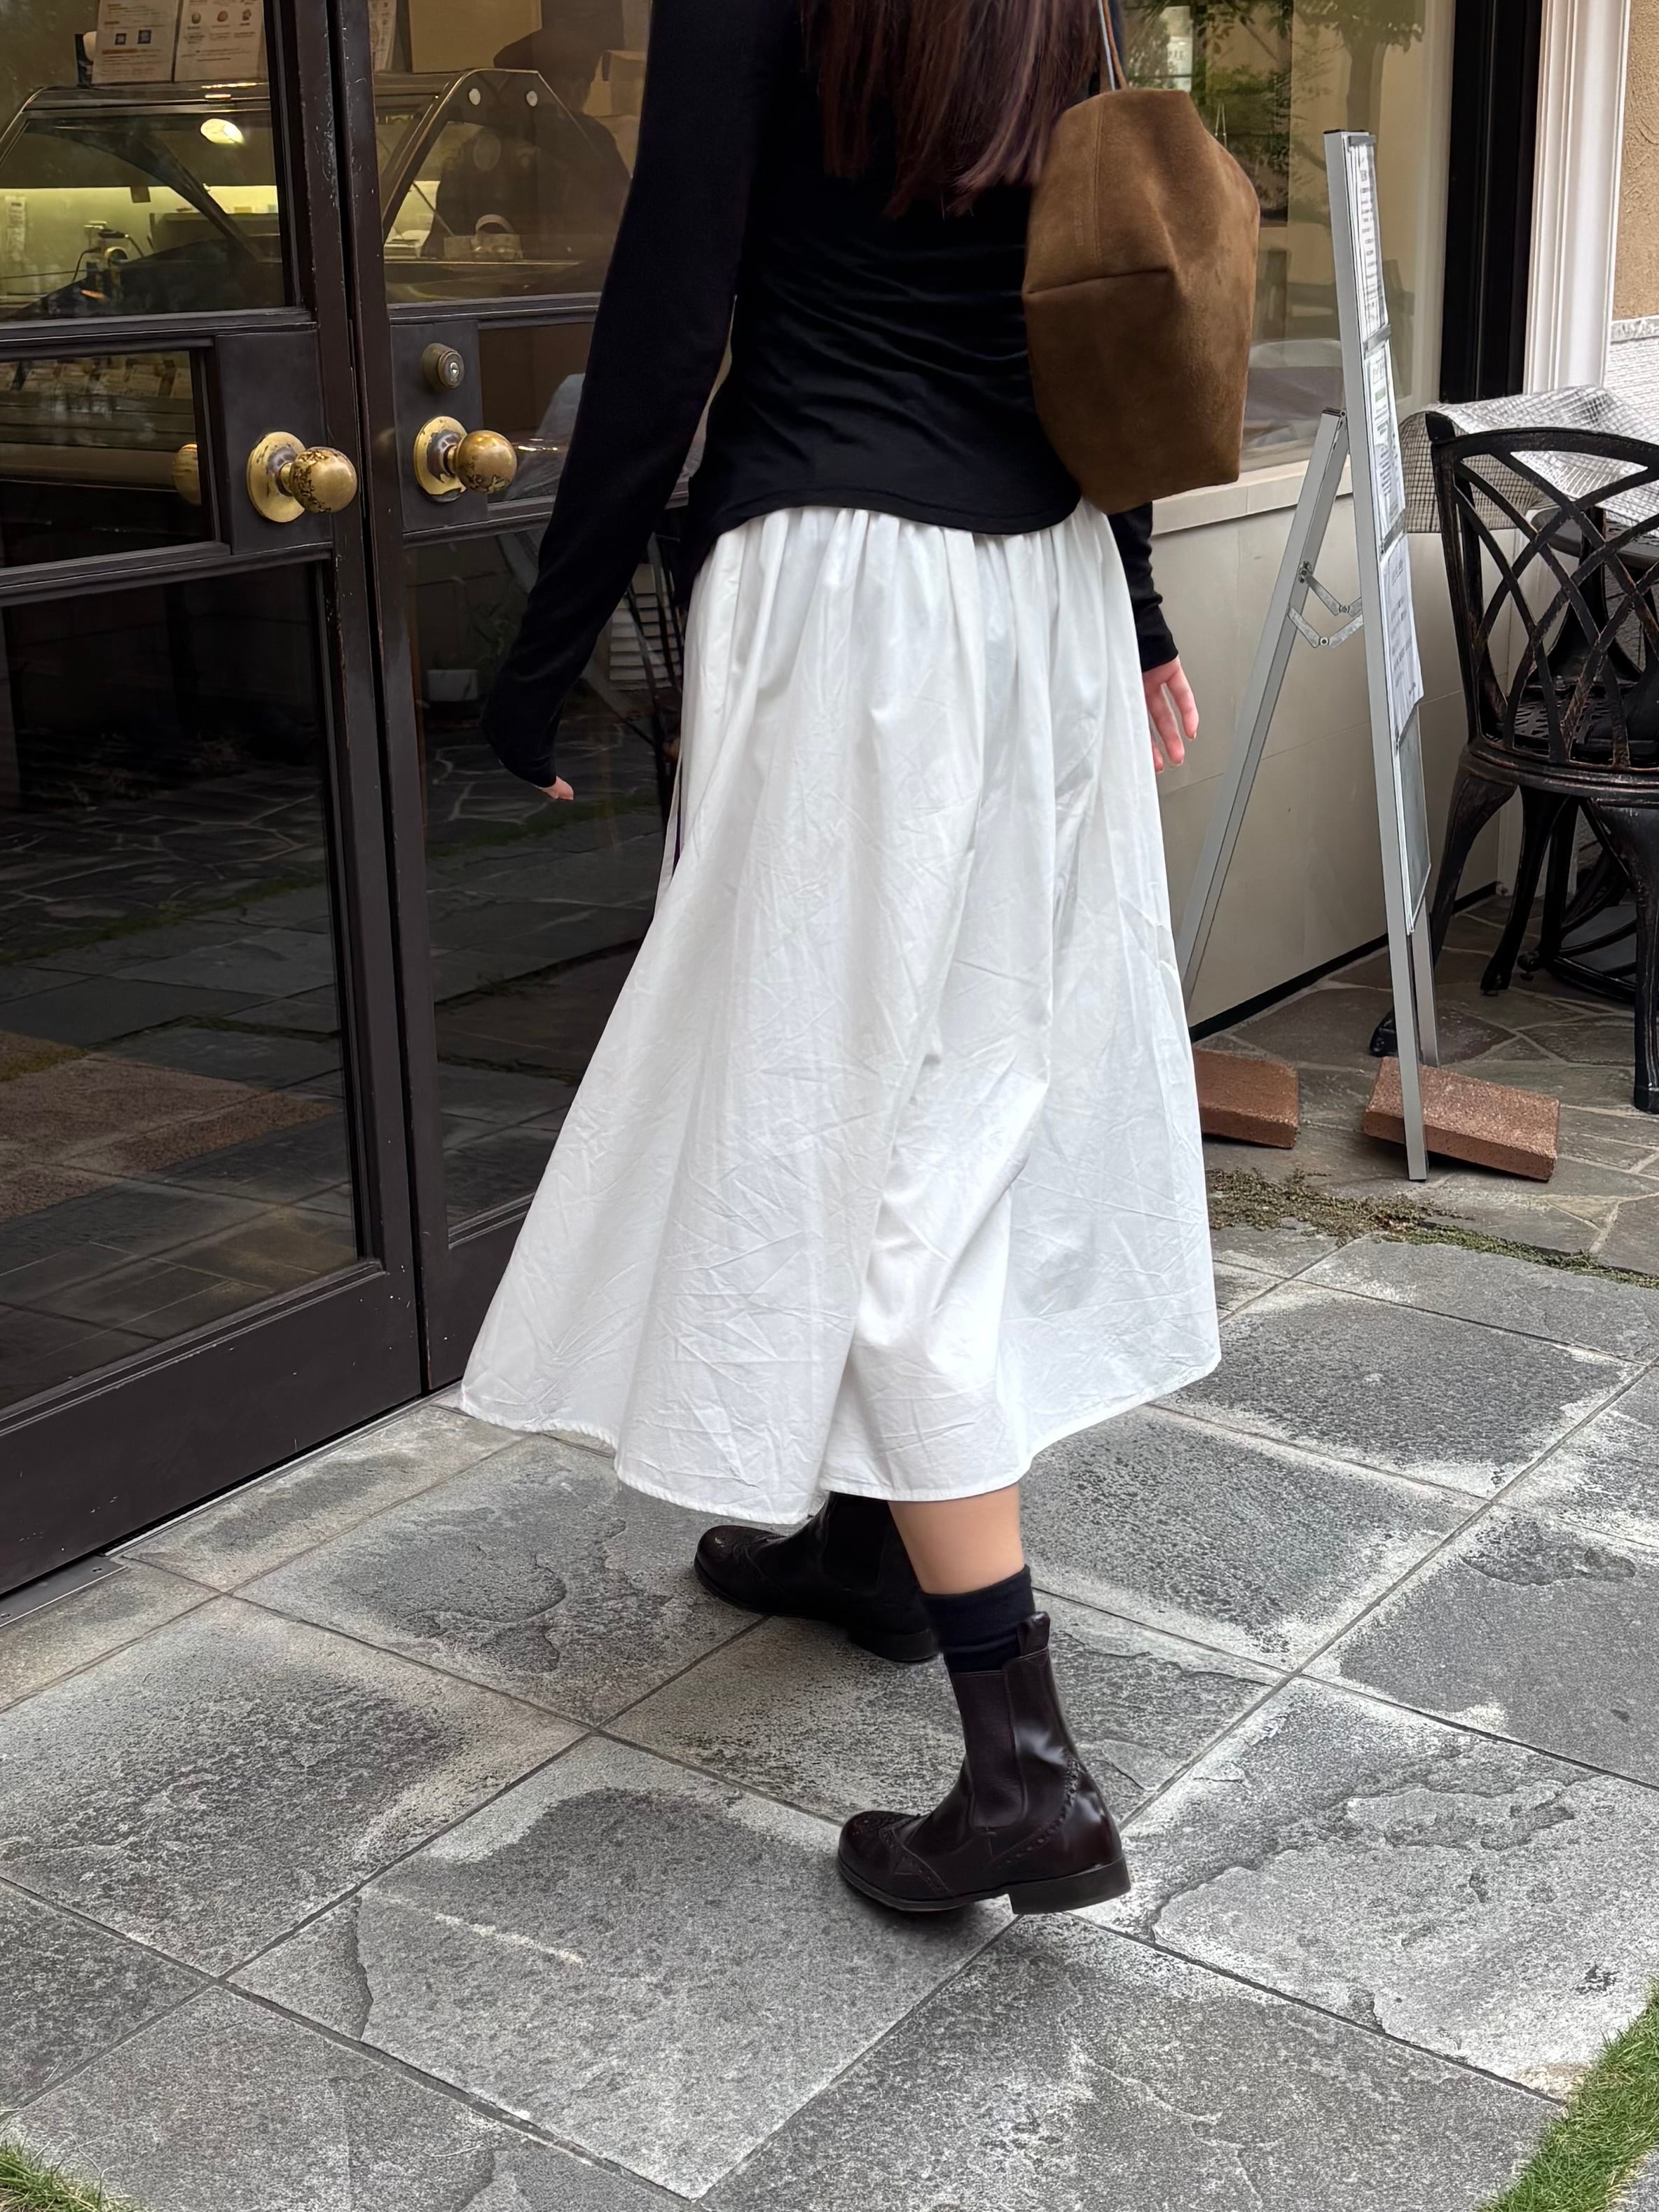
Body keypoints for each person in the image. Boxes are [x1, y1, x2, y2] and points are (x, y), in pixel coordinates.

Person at [462, 0, 1220, 1916]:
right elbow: (1095, 293)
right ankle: (876, 1544)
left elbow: (667, 321)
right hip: (1037, 589)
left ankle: (1025, 1768)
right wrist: (1133, 602)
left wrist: (542, 650)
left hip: (848, 597)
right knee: (951, 1092)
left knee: (865, 1140)